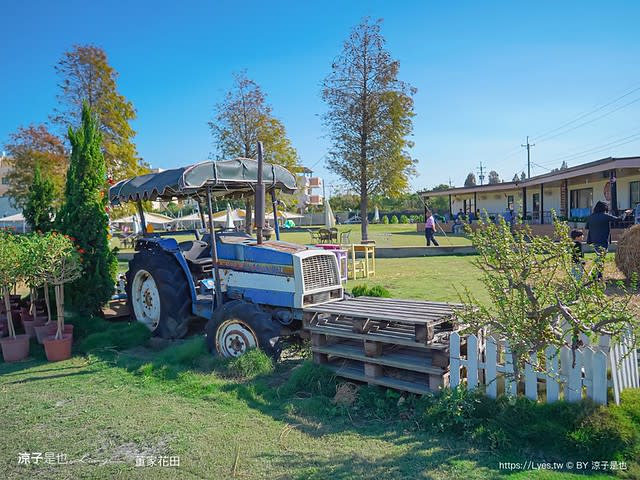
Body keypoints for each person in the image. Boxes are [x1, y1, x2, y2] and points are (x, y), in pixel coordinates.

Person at [585, 201, 632, 279]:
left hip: (593, 240)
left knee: (599, 257)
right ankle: (596, 275)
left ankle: (597, 275)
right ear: (604, 208)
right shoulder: (605, 216)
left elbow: (587, 227)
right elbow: (619, 219)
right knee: (601, 258)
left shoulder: (590, 217)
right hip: (603, 240)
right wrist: (626, 213)